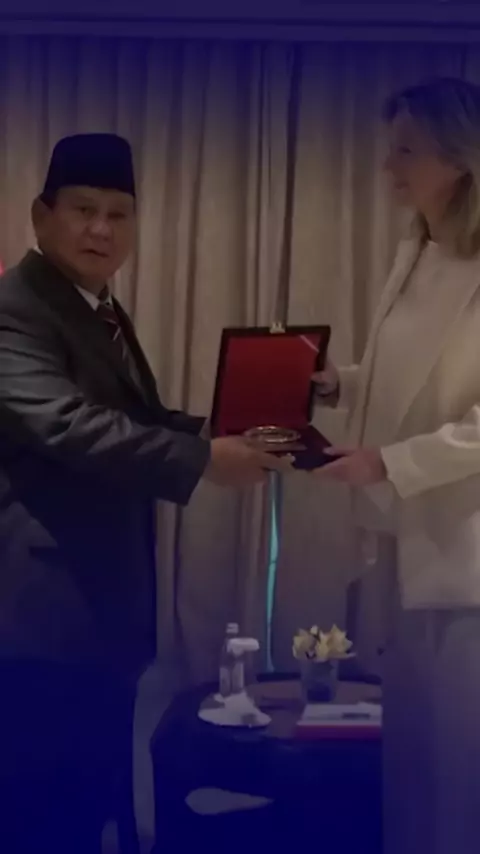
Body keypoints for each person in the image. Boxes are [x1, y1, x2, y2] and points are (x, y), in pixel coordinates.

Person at [0, 133, 286, 854]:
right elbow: (68, 425)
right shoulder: (14, 307)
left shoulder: (94, 305)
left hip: (99, 608)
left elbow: (137, 418)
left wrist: (223, 430)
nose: (101, 229)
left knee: (90, 795)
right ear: (41, 216)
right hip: (40, 616)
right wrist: (204, 459)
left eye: (119, 214)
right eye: (83, 210)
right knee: (42, 815)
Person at [314, 78, 480, 854]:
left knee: (457, 772)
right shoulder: (415, 251)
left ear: (461, 157)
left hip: (463, 556)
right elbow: (398, 377)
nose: (389, 167)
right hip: (398, 536)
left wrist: (390, 462)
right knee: (409, 760)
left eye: (406, 150)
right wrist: (339, 384)